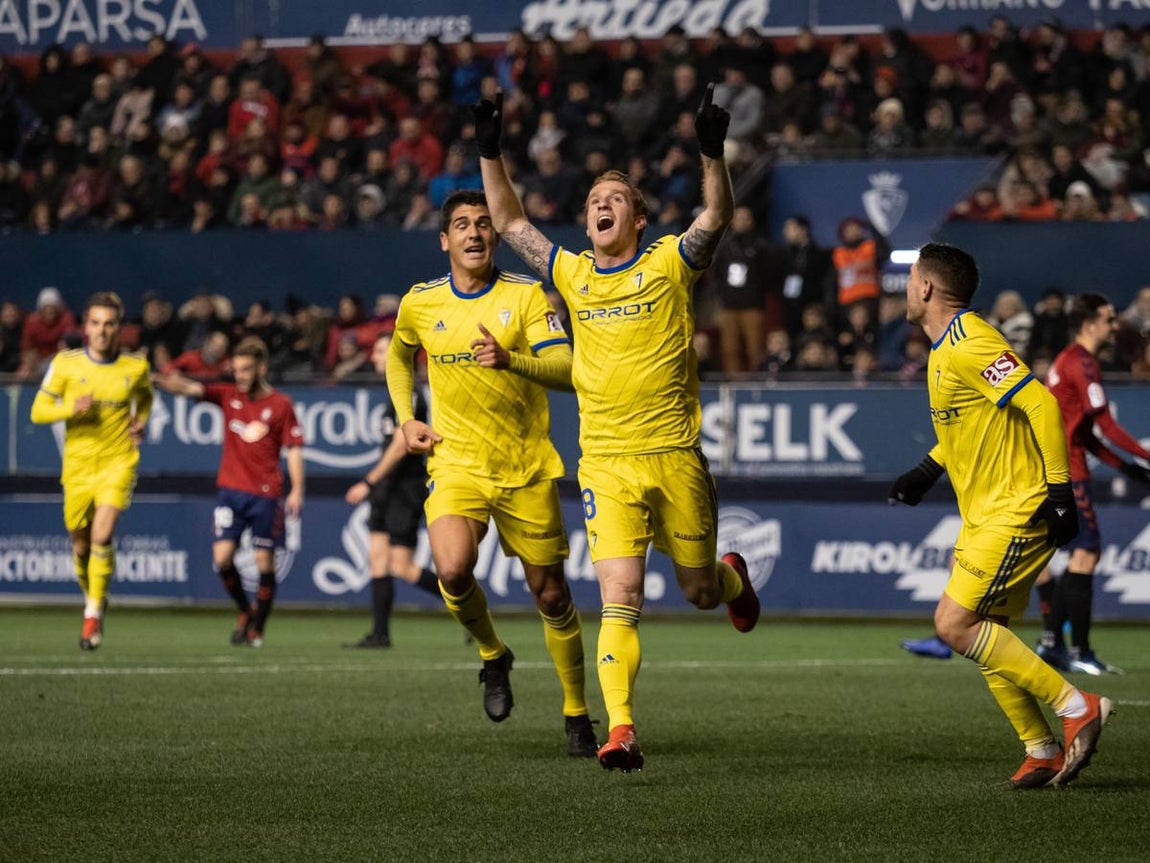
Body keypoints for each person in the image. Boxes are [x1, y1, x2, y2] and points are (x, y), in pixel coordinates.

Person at [474, 87, 760, 773]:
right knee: (619, 597)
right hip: (606, 463)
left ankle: (730, 580)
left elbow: (717, 212)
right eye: (594, 200)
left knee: (695, 592)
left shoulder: (668, 263)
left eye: (616, 199)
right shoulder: (571, 273)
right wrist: (490, 151)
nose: (601, 205)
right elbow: (509, 219)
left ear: (637, 217)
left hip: (675, 457)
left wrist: (711, 152)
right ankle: (621, 729)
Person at [889, 243, 1111, 789]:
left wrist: (1060, 492)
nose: (905, 286)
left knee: (954, 624)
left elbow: (1040, 403)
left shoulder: (969, 341)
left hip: (1017, 506)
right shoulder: (945, 349)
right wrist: (927, 468)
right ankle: (1040, 750)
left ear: (926, 288)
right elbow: (968, 425)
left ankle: (1077, 704)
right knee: (991, 631)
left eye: (910, 276)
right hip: (988, 511)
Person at [386, 189, 599, 758]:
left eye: (483, 223)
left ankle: (577, 713)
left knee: (551, 596)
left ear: (496, 236)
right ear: (444, 240)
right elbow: (397, 354)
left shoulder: (527, 297)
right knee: (452, 570)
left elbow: (565, 369)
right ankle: (492, 654)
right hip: (456, 462)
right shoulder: (420, 302)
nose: (474, 233)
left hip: (525, 467)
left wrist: (512, 360)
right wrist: (407, 420)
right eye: (461, 225)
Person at [153, 337, 304, 647]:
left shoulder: (281, 405)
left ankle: (257, 629)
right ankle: (245, 610)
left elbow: (295, 450)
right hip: (230, 492)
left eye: (247, 370)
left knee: (264, 563)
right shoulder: (228, 395)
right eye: (236, 370)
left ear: (261, 368)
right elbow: (188, 388)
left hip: (265, 494)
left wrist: (297, 489)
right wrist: (157, 379)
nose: (241, 376)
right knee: (222, 559)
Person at [29, 292, 153, 650]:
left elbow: (144, 396)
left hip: (118, 462)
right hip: (78, 466)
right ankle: (94, 598)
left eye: (109, 324)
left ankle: (92, 614)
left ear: (119, 328)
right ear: (85, 327)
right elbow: (38, 411)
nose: (102, 331)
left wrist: (139, 421)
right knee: (81, 545)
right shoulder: (66, 364)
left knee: (102, 535)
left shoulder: (135, 367)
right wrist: (70, 407)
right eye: (96, 323)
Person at [1034, 294, 1150, 675]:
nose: (1114, 326)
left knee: (1079, 556)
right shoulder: (1081, 364)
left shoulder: (1071, 360)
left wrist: (1128, 468)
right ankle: (1079, 651)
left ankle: (1053, 644)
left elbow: (1086, 435)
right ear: (1089, 324)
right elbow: (1106, 426)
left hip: (1062, 466)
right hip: (1066, 472)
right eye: (1108, 319)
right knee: (1085, 554)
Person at [343, 331, 440, 648]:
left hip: (405, 488)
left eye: (381, 351)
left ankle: (469, 606)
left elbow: (401, 444)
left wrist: (368, 481)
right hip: (388, 488)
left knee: (401, 565)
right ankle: (380, 634)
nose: (374, 356)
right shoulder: (394, 394)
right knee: (377, 560)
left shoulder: (411, 392)